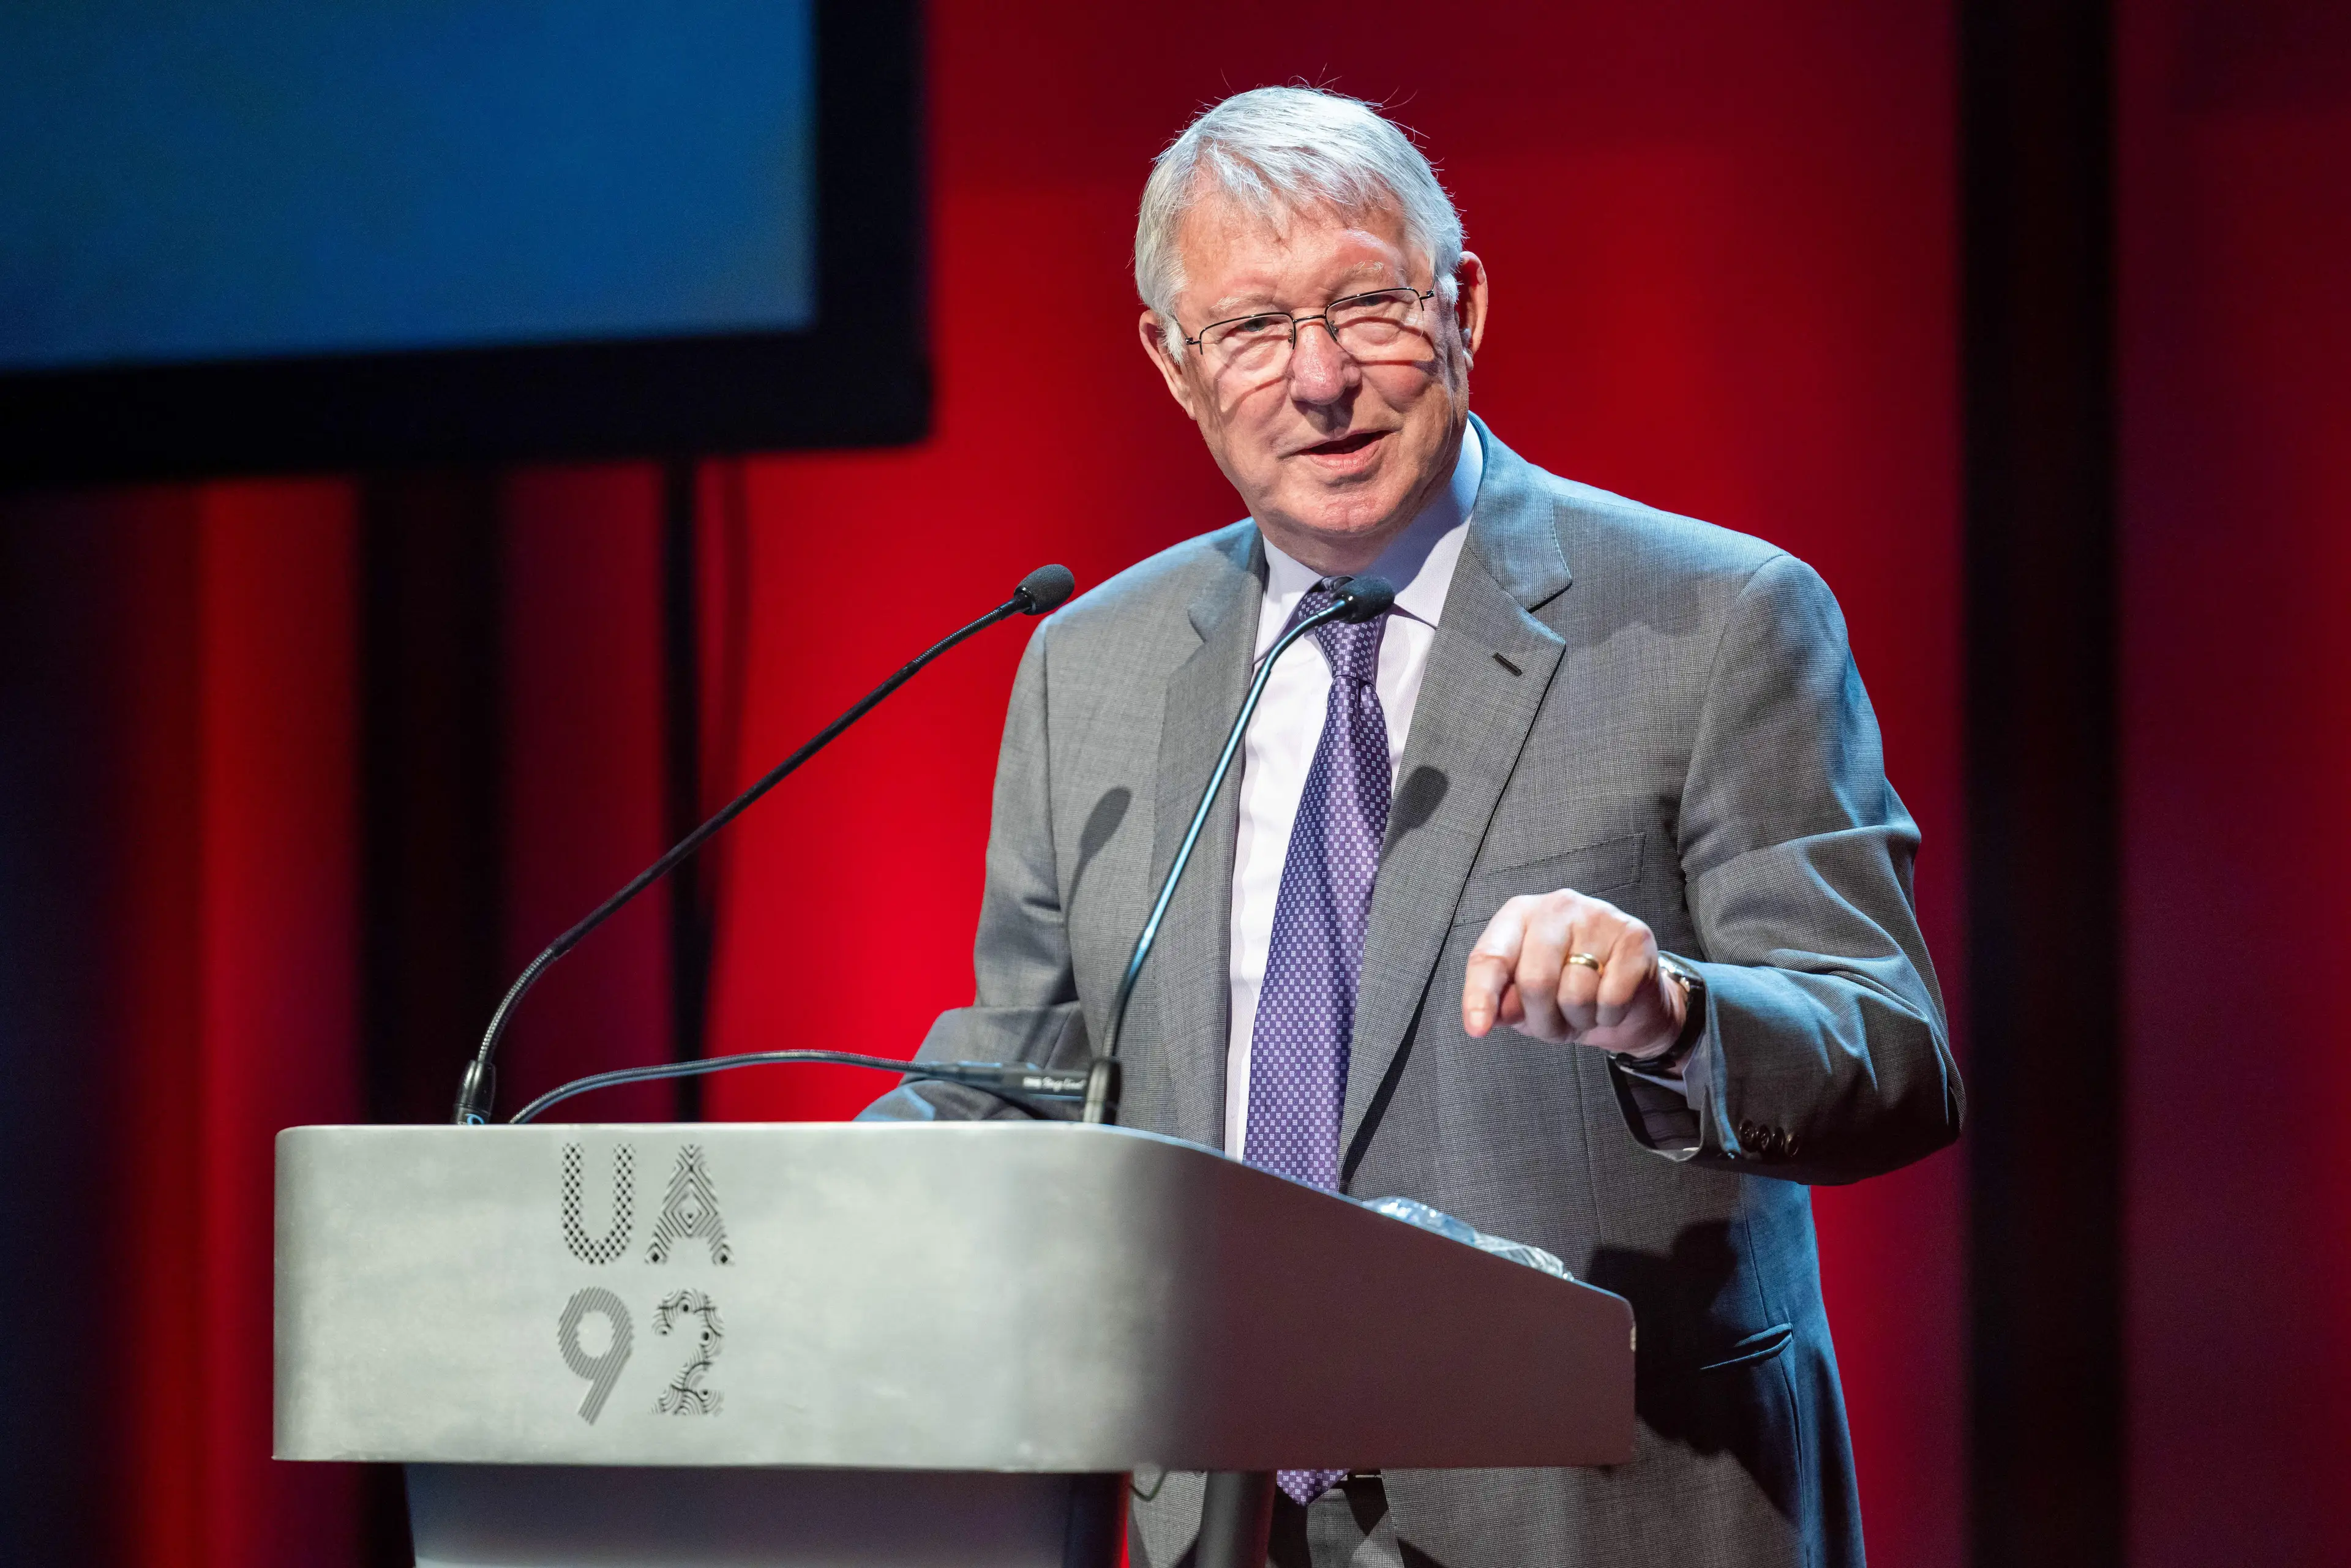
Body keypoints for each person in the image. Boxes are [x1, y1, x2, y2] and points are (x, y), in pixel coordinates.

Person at [866, 86, 1960, 1568]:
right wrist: (804, 1210)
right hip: (1229, 1516)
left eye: (1367, 306)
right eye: (1252, 328)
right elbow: (1025, 1078)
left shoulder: (1718, 620)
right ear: (1172, 362)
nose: (1319, 379)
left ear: (1464, 307)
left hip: (1605, 1506)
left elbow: (1889, 1053)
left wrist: (1677, 1014)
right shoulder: (1089, 666)